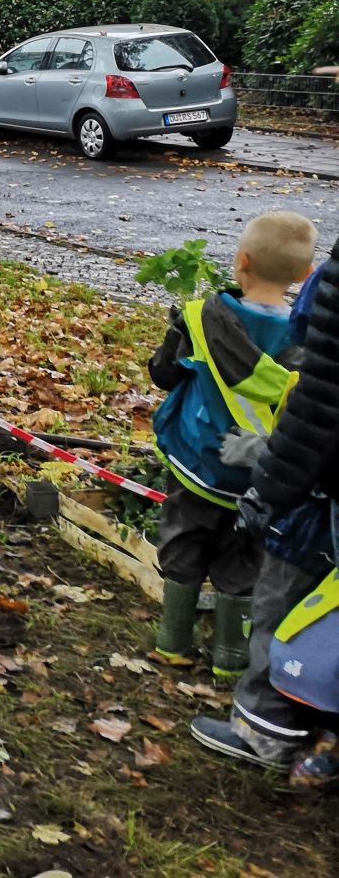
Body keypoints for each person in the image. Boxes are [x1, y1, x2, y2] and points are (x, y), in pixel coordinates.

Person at [193, 239, 339, 783]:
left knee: (283, 604)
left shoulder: (331, 286)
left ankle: (265, 729)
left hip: (317, 492)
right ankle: (325, 741)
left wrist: (270, 486)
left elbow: (319, 401)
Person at [147, 211, 314, 673]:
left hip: (197, 467)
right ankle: (230, 658)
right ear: (304, 275)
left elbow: (164, 372)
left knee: (182, 544)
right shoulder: (307, 345)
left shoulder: (201, 319)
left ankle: (172, 642)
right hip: (258, 479)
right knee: (242, 563)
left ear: (240, 261)